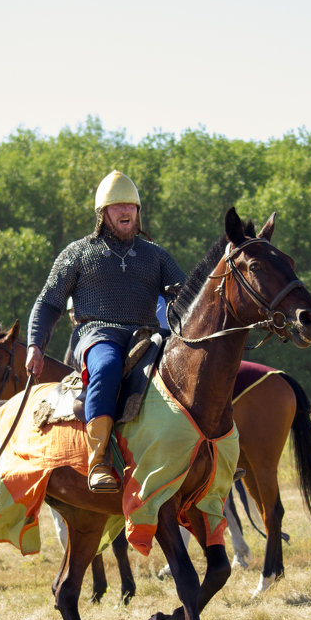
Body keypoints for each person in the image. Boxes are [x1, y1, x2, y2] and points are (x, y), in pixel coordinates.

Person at [26, 171, 186, 492]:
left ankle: (203, 447)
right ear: (103, 213)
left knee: (184, 368)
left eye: (131, 206)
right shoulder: (78, 253)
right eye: (118, 206)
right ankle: (99, 461)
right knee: (109, 366)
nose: (126, 211)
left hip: (146, 335)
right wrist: (35, 345)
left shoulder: (155, 254)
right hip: (97, 334)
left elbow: (184, 297)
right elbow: (49, 304)